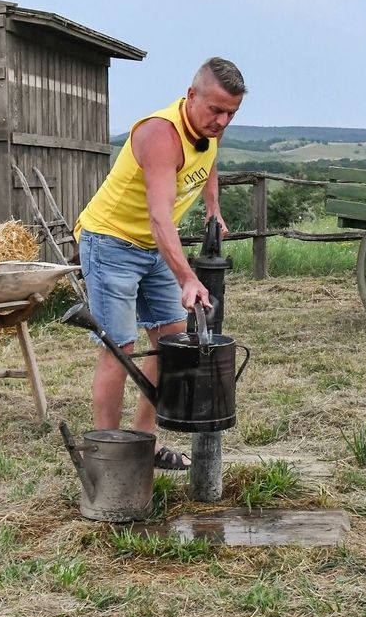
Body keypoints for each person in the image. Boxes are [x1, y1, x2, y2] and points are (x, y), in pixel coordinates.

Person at [73, 57, 246, 470]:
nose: (222, 121)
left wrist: (213, 207)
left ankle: (145, 443)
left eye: (231, 113)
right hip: (112, 243)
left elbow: (208, 161)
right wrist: (187, 277)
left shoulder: (208, 130)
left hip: (153, 247)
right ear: (190, 96)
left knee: (169, 344)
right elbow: (159, 217)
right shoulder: (159, 134)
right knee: (119, 348)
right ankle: (109, 454)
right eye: (216, 110)